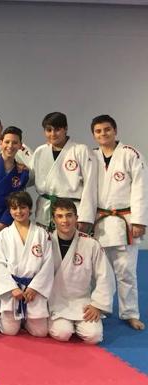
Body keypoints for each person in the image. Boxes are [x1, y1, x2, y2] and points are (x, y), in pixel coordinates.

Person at [91, 114, 147, 330]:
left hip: (125, 221)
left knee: (126, 271)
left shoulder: (130, 154)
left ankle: (129, 312)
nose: (103, 134)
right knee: (98, 271)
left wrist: (140, 221)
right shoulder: (91, 156)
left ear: (115, 130)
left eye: (107, 129)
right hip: (99, 221)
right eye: (98, 131)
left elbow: (140, 189)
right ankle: (100, 307)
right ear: (94, 135)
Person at [48, 199, 115, 344]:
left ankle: (79, 323)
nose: (65, 220)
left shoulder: (90, 244)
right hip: (55, 302)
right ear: (54, 220)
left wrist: (98, 305)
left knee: (94, 336)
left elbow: (105, 276)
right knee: (62, 333)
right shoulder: (46, 242)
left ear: (77, 218)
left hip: (82, 302)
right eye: (60, 216)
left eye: (69, 215)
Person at [0, 191, 54, 337]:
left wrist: (34, 288)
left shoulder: (42, 234)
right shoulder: (4, 234)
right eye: (14, 208)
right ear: (10, 211)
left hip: (34, 290)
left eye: (22, 207)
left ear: (30, 209)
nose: (19, 211)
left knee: (40, 333)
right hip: (13, 291)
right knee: (9, 331)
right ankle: (14, 318)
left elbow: (48, 264)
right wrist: (12, 289)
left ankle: (26, 320)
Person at [31, 112, 96, 232]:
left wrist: (85, 218)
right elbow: (30, 177)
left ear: (65, 129)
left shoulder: (80, 150)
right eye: (48, 130)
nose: (52, 134)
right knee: (47, 249)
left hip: (71, 211)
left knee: (73, 249)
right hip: (45, 211)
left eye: (57, 129)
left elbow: (90, 185)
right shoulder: (40, 151)